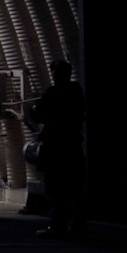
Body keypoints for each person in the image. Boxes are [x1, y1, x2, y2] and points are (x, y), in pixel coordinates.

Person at [29, 59, 87, 238]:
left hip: (55, 148)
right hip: (73, 146)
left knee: (56, 189)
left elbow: (39, 115)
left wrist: (34, 108)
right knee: (75, 189)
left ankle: (58, 225)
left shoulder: (53, 93)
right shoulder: (76, 91)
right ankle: (78, 226)